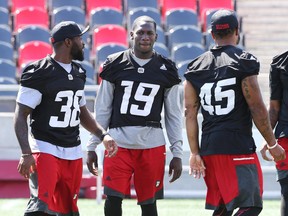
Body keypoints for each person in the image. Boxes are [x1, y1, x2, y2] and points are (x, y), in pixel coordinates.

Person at [184, 9, 286, 216]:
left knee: (223, 207)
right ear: (237, 32)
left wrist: (195, 152)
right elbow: (256, 108)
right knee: (251, 205)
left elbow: (189, 112)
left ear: (212, 34)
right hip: (237, 145)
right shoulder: (243, 61)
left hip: (210, 146)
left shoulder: (195, 67)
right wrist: (272, 143)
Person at [14, 21, 118, 216]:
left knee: (68, 210)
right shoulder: (39, 71)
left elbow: (81, 110)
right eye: (80, 38)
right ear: (68, 42)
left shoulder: (79, 72)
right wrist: (26, 153)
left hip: (72, 149)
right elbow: (20, 115)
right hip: (44, 147)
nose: (84, 43)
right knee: (39, 207)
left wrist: (102, 134)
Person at [86, 15, 183, 216]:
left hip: (152, 145)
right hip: (117, 145)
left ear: (156, 36)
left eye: (149, 33)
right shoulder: (115, 63)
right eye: (140, 32)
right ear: (131, 35)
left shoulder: (167, 69)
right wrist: (92, 145)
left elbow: (173, 114)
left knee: (149, 204)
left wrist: (177, 152)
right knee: (113, 200)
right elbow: (103, 107)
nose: (144, 37)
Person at [260, 51, 288, 216]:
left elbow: (274, 108)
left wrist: (270, 140)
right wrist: (269, 139)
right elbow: (274, 108)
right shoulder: (279, 62)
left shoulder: (280, 61)